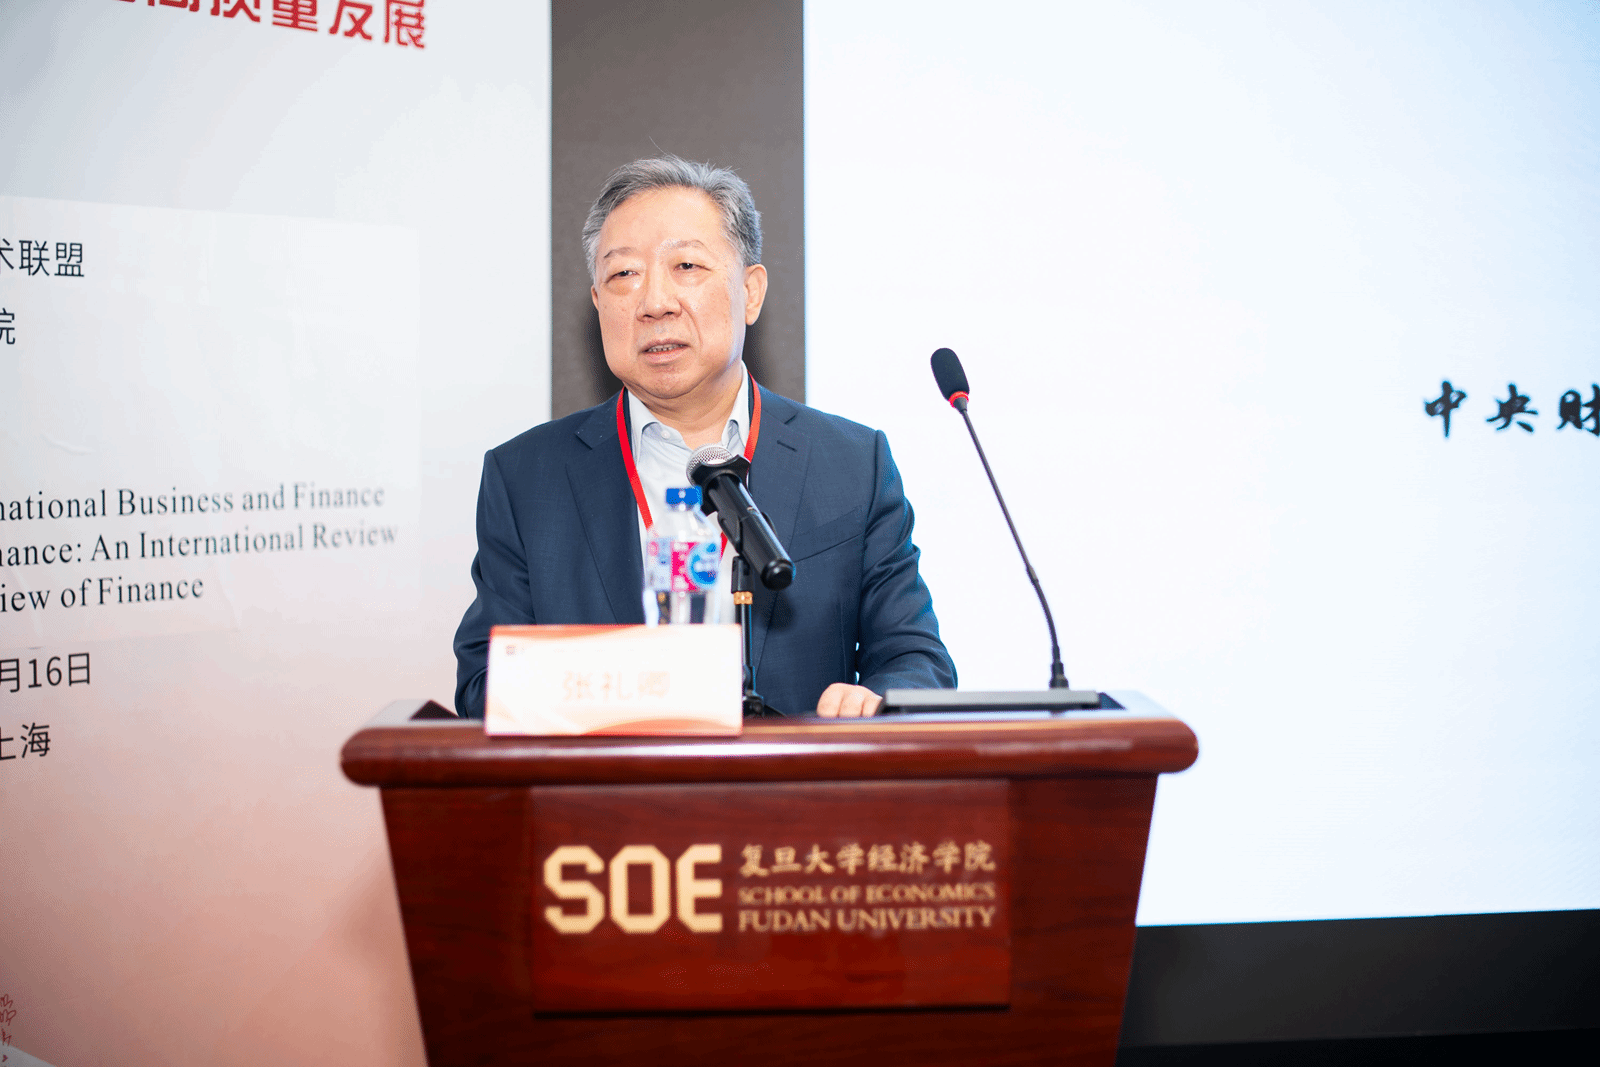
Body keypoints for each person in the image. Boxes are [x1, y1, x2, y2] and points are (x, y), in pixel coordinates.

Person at [453, 156, 954, 718]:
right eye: (623, 275)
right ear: (597, 303)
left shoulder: (851, 465)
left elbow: (917, 661)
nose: (654, 303)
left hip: (795, 774)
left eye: (686, 265)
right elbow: (483, 687)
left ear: (751, 292)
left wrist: (875, 703)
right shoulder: (526, 478)